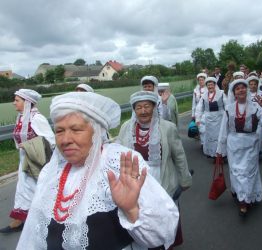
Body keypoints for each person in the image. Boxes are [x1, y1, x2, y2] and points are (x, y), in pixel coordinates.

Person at [16, 92, 179, 249]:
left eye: (76, 129)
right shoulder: (50, 173)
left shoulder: (119, 165)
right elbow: (32, 236)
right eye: (59, 131)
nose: (65, 140)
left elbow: (161, 234)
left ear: (96, 132)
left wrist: (132, 210)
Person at [118, 91, 192, 249]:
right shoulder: (126, 128)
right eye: (138, 107)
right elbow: (118, 156)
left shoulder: (167, 128)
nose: (143, 111)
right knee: (141, 218)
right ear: (134, 110)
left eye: (146, 106)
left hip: (161, 179)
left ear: (154, 107)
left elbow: (179, 155)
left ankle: (165, 244)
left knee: (161, 216)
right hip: (136, 183)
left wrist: (185, 179)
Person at [0, 89, 55, 234]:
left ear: (27, 102)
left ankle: (47, 221)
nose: (14, 103)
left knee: (39, 189)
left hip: (36, 160)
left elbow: (51, 140)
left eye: (17, 100)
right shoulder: (21, 118)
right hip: (24, 159)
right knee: (24, 189)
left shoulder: (36, 118)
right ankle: (20, 221)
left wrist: (31, 147)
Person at [216, 79, 262, 216]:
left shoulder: (255, 107)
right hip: (233, 145)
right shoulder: (229, 109)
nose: (241, 90)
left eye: (243, 88)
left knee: (248, 171)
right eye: (237, 89)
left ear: (246, 90)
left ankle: (245, 200)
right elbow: (224, 130)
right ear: (234, 93)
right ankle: (241, 195)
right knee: (236, 171)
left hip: (250, 144)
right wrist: (219, 150)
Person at [195, 77, 226, 159]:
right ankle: (213, 154)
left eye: (211, 84)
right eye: (208, 85)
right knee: (210, 138)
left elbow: (227, 106)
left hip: (220, 119)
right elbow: (199, 108)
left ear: (215, 85)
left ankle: (221, 154)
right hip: (208, 120)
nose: (210, 86)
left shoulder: (221, 94)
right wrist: (198, 119)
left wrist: (228, 117)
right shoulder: (204, 96)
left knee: (219, 137)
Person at [192, 73, 207, 145]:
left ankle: (207, 142)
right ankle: (202, 143)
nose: (201, 81)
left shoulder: (208, 89)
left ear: (205, 80)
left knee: (207, 127)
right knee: (200, 127)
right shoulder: (195, 90)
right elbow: (194, 103)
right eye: (199, 80)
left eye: (202, 80)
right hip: (199, 112)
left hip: (207, 110)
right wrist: (193, 115)